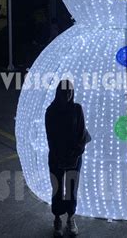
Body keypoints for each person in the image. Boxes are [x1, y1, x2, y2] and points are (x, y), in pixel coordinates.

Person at [45, 79, 91, 237]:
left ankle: (71, 218)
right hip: (56, 158)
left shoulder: (77, 109)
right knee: (57, 189)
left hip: (74, 158)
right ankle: (57, 219)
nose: (68, 94)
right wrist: (59, 157)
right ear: (59, 92)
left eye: (70, 91)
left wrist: (77, 152)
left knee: (71, 189)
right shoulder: (51, 111)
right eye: (65, 92)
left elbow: (82, 133)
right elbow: (50, 138)